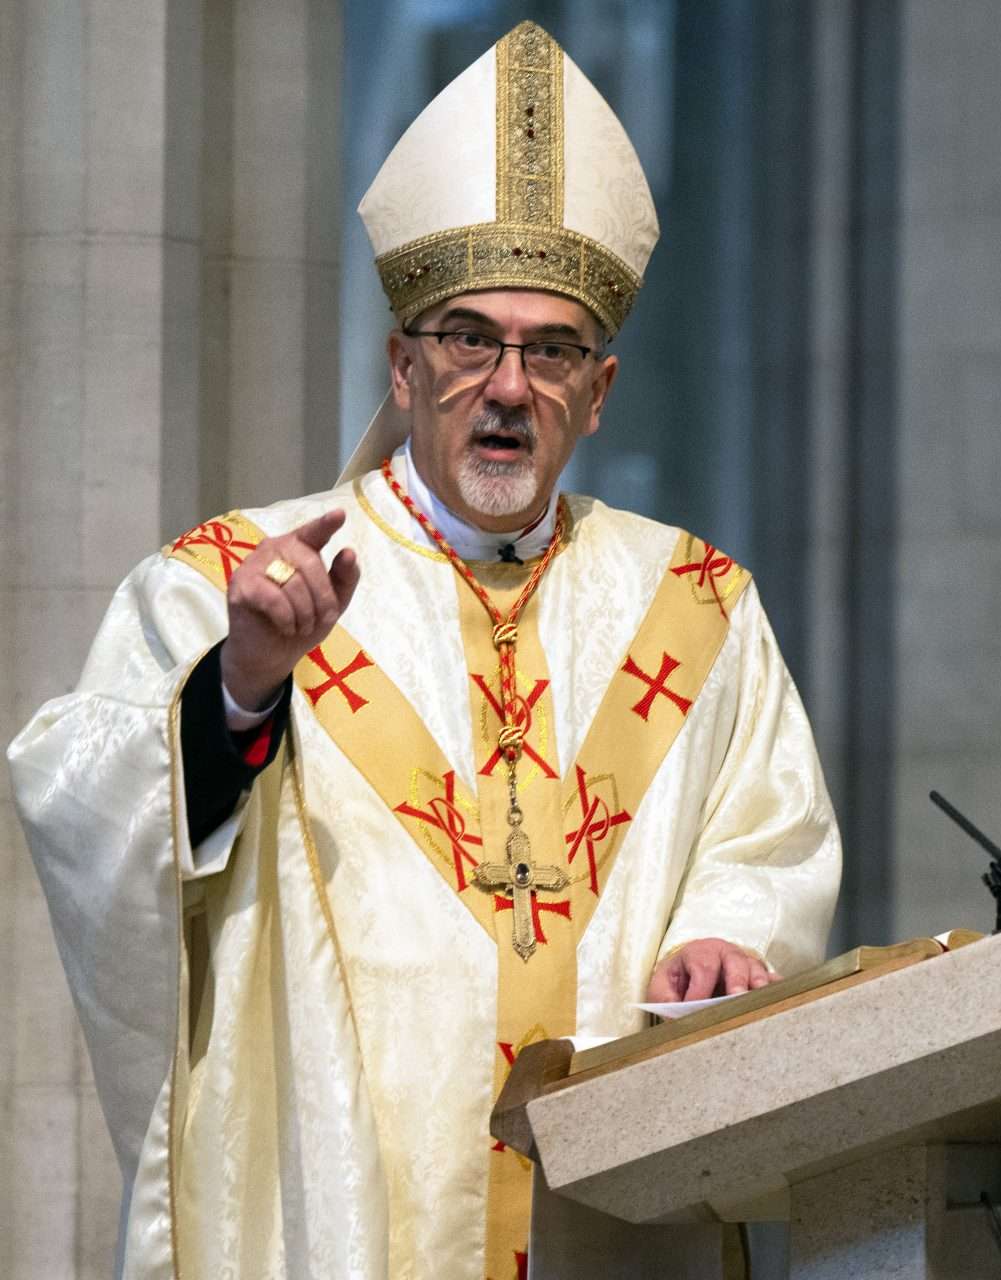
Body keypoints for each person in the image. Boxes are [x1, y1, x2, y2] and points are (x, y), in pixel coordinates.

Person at [6, 21, 840, 1279]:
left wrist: (733, 934)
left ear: (599, 391)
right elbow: (76, 804)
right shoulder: (239, 581)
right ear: (403, 368)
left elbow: (762, 841)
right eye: (467, 338)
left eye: (551, 348)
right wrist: (239, 687)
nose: (507, 385)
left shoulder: (700, 605)